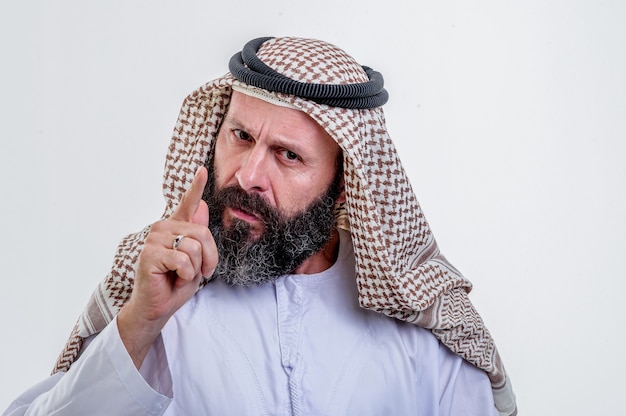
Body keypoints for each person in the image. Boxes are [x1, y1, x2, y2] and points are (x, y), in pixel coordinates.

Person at [3, 36, 517, 415]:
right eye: (241, 136)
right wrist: (140, 322)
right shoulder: (160, 294)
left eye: (288, 155)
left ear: (344, 186)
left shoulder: (418, 321)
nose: (249, 176)